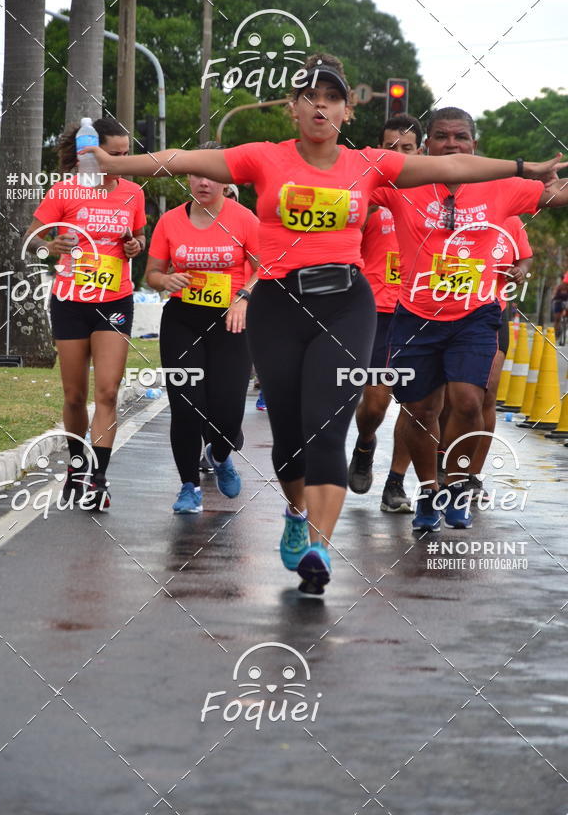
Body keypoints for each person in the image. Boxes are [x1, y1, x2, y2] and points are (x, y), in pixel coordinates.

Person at [81, 58, 565, 593]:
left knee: (327, 424)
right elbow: (181, 159)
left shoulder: (369, 164)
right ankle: (296, 511)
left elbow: (457, 169)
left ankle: (320, 547)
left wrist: (524, 167)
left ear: (346, 112)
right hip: (278, 305)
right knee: (290, 433)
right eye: (310, 96)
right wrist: (115, 163)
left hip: (346, 304)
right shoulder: (263, 157)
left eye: (332, 97)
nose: (320, 105)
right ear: (293, 109)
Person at [371, 106, 568, 533]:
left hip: (475, 314)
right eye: (442, 137)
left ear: (474, 145)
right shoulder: (403, 183)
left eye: (460, 137)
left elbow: (556, 195)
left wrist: (553, 180)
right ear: (427, 145)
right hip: (415, 316)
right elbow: (348, 179)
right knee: (421, 410)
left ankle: (457, 486)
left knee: (468, 402)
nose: (452, 144)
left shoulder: (502, 186)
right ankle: (428, 491)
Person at [25, 118, 146, 509]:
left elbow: (138, 236)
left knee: (108, 391)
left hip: (115, 299)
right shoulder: (65, 191)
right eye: (114, 154)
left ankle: (99, 479)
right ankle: (77, 466)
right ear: (91, 153)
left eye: (126, 154)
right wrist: (50, 247)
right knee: (74, 395)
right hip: (71, 301)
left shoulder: (132, 193)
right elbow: (32, 240)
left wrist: (136, 245)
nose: (121, 161)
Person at [144, 143, 259, 513]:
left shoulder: (244, 219)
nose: (203, 182)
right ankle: (188, 487)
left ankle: (221, 455)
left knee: (228, 411)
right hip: (183, 320)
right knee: (186, 406)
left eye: (211, 175)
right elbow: (151, 275)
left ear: (226, 180)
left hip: (231, 322)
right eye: (196, 174)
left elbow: (266, 267)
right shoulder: (170, 221)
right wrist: (166, 280)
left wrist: (243, 297)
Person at [348, 114, 422, 513]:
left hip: (423, 312)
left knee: (417, 407)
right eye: (390, 148)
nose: (398, 155)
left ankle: (395, 483)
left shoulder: (434, 196)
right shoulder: (368, 194)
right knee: (376, 403)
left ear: (420, 152)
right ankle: (364, 444)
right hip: (377, 313)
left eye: (407, 149)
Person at [436, 214, 533, 496]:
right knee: (446, 396)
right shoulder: (448, 210)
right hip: (443, 310)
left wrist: (519, 271)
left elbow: (525, 257)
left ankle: (472, 475)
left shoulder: (509, 217)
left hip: (491, 313)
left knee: (486, 393)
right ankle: (441, 459)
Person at [551, 278, 568, 344]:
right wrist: (553, 297)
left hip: (565, 303)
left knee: (565, 315)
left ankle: (564, 326)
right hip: (557, 302)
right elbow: (554, 295)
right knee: (557, 319)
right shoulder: (558, 287)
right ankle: (555, 333)